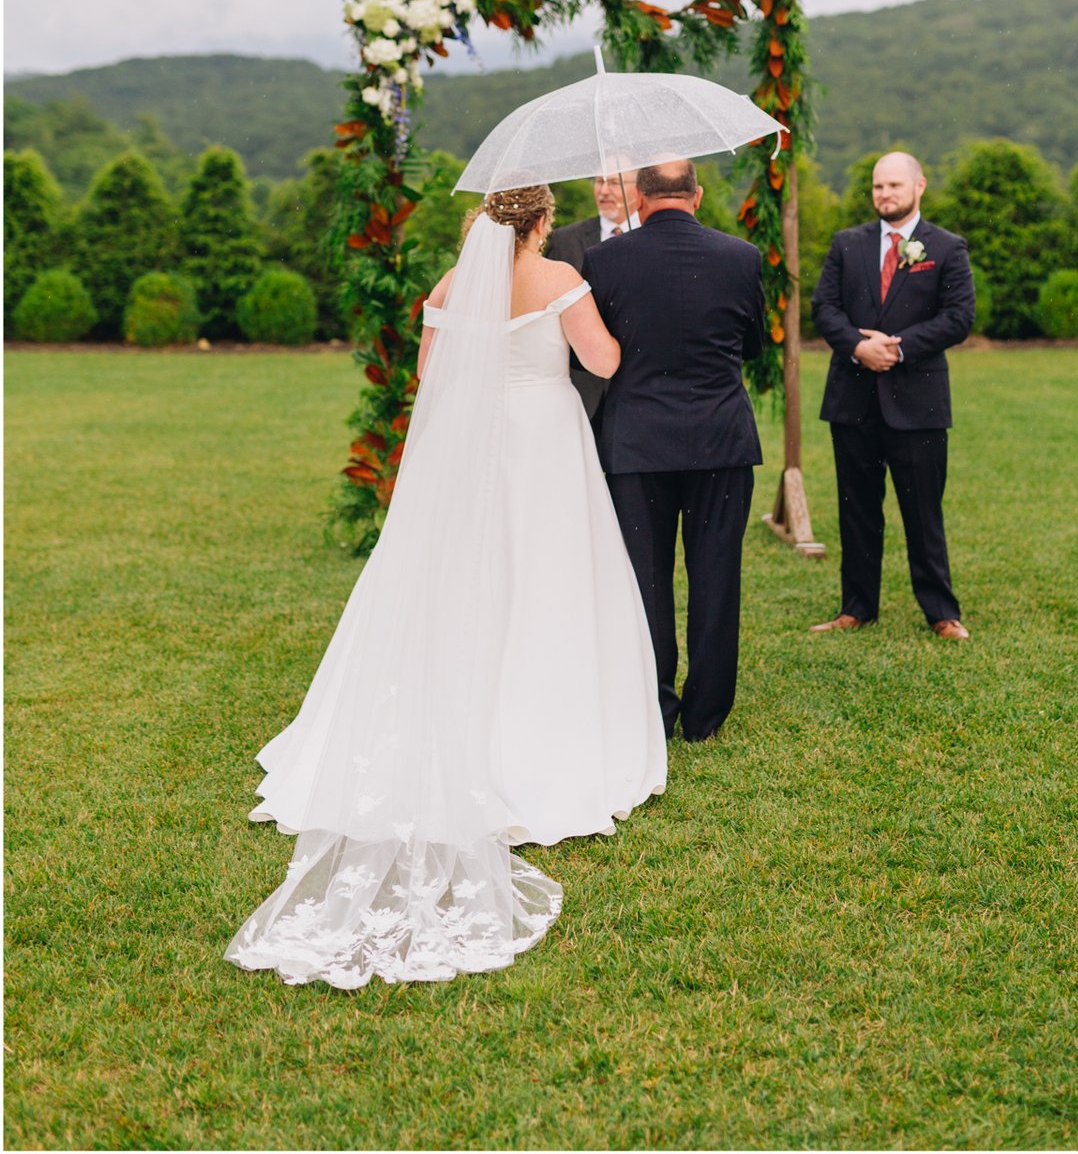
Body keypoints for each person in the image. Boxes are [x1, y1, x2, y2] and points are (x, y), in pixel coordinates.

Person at [228, 186, 666, 988]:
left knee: (469, 590)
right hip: (541, 446)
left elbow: (432, 377)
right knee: (545, 585)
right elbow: (602, 360)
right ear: (539, 223)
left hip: (467, 459)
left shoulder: (446, 287)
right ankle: (539, 735)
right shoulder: (559, 274)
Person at [585, 160, 766, 741]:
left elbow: (603, 350)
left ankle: (656, 706)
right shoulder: (742, 257)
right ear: (698, 195)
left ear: (638, 196)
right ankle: (707, 715)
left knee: (647, 580)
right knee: (716, 574)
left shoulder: (605, 260)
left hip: (637, 444)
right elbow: (755, 344)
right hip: (721, 439)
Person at [808, 152, 977, 639]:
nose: (885, 194)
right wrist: (860, 347)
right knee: (856, 508)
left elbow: (959, 316)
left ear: (919, 186)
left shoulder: (946, 248)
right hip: (853, 400)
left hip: (917, 402)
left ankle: (941, 612)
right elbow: (825, 307)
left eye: (895, 186)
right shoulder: (847, 244)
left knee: (923, 511)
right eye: (879, 187)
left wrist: (898, 351)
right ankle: (856, 608)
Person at [544, 173, 637, 421]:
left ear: (638, 188)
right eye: (599, 182)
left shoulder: (650, 237)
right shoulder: (564, 239)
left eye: (615, 182)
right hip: (582, 388)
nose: (604, 191)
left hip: (638, 385)